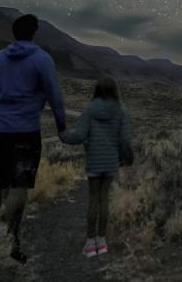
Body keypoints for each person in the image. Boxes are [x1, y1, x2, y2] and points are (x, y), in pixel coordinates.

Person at [0, 14, 66, 263]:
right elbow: (55, 96)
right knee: (19, 184)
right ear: (34, 33)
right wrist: (61, 127)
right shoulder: (41, 59)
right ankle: (11, 241)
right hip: (26, 131)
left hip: (0, 130)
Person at [60, 75, 133, 258]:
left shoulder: (91, 110)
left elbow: (78, 135)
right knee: (104, 199)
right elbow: (125, 140)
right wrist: (127, 158)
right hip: (110, 162)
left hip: (94, 161)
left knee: (93, 199)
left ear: (98, 90)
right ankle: (102, 241)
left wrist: (62, 133)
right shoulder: (121, 111)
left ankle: (90, 243)